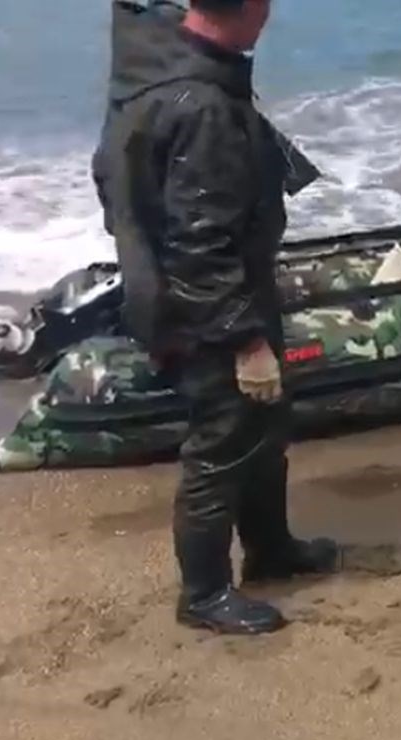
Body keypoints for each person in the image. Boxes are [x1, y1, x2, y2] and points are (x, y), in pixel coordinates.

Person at [91, 0, 336, 635]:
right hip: (204, 306)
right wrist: (245, 338)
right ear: (255, 9)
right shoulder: (202, 109)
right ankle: (202, 594)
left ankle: (271, 547)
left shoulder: (156, 64)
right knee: (223, 438)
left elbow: (114, 176)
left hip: (207, 289)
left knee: (264, 421)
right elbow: (200, 247)